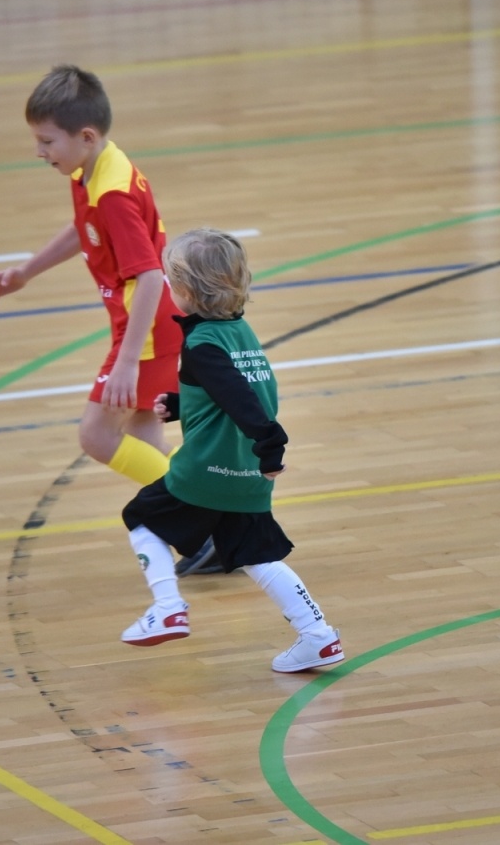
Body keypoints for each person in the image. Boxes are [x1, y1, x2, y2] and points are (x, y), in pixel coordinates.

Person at [118, 228, 344, 673]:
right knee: (257, 555)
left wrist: (271, 443)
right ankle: (318, 636)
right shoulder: (239, 332)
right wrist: (184, 406)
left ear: (183, 291)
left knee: (141, 519)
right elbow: (234, 390)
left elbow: (241, 400)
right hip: (245, 475)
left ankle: (167, 606)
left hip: (207, 471)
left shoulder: (201, 346)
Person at [0, 65, 180, 492]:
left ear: (86, 137)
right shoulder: (92, 167)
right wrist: (25, 273)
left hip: (145, 326)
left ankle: (207, 511)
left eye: (47, 141)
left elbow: (148, 275)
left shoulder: (112, 194)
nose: (39, 151)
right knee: (141, 438)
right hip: (148, 322)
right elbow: (82, 228)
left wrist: (127, 363)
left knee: (96, 434)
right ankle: (216, 514)